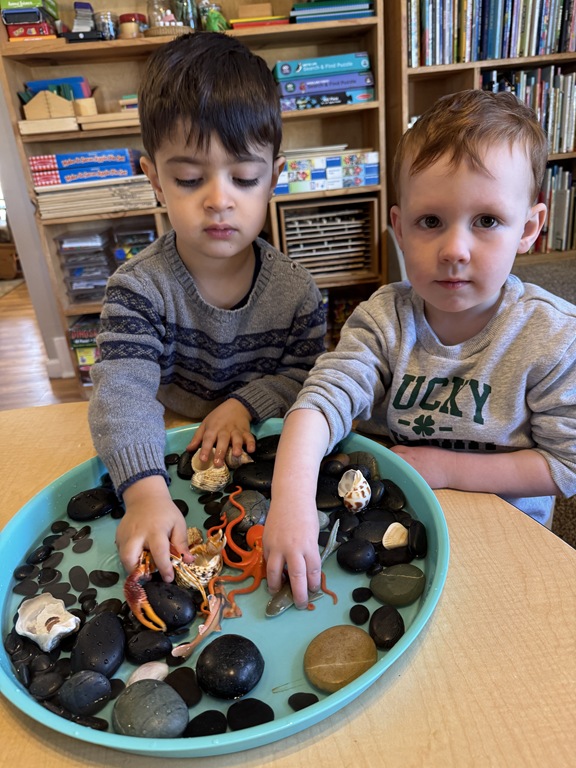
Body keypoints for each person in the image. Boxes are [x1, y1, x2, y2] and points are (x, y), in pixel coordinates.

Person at [263, 89, 576, 609]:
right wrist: (290, 499)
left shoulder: (554, 336)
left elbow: (564, 466)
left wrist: (447, 467)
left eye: (486, 221)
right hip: (398, 524)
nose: (454, 250)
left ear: (528, 229)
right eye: (430, 221)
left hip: (507, 535)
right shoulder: (384, 319)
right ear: (399, 229)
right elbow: (322, 399)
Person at [88, 32, 326, 583]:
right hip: (164, 440)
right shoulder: (138, 288)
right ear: (154, 180)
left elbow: (307, 375)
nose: (219, 199)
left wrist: (245, 403)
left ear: (274, 178)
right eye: (190, 178)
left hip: (258, 442)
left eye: (244, 178)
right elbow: (121, 392)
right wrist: (145, 493)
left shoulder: (298, 292)